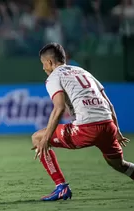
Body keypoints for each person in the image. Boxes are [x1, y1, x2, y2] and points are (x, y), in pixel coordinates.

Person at [32, 42, 133, 201]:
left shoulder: (54, 77)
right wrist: (117, 131)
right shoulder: (83, 72)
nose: (43, 68)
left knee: (38, 138)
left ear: (50, 62)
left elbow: (58, 109)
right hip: (108, 125)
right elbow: (109, 104)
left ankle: (61, 187)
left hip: (87, 128)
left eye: (43, 64)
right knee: (119, 164)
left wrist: (45, 139)